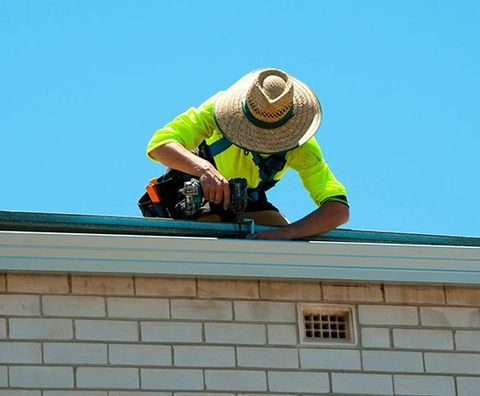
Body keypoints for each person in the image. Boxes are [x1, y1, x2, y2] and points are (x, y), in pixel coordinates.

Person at [143, 68, 349, 240]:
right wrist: (204, 169)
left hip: (245, 202)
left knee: (280, 239)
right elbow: (159, 145)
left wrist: (288, 233)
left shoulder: (302, 147)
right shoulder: (215, 111)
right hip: (192, 196)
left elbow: (337, 209)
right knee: (207, 235)